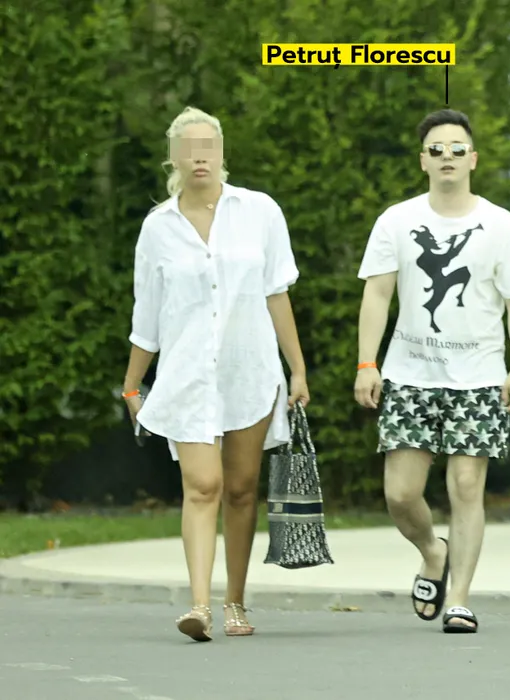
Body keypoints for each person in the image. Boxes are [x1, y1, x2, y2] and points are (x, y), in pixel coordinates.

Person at [122, 106, 309, 642]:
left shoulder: (260, 211)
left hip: (250, 370)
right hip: (186, 376)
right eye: (189, 148)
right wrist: (132, 384)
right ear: (174, 157)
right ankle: (199, 606)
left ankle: (235, 602)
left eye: (208, 146)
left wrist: (297, 368)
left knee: (242, 489)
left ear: (222, 153)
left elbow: (277, 293)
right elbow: (147, 315)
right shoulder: (157, 228)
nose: (199, 157)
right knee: (204, 485)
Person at [353, 109, 510, 634]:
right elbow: (377, 294)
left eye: (457, 149)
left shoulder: (501, 225)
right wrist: (367, 363)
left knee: (466, 484)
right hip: (410, 374)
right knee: (401, 493)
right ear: (423, 161)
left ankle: (459, 599)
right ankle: (434, 552)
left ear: (473, 159)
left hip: (478, 377)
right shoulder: (397, 220)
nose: (447, 157)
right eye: (437, 150)